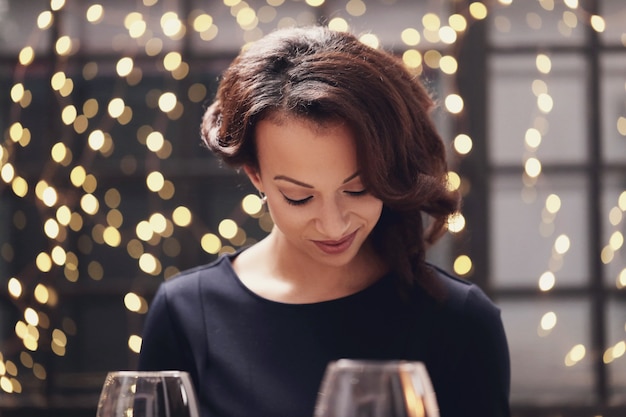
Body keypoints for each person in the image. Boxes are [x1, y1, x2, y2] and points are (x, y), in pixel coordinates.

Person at [138, 25, 511, 417]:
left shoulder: (459, 322)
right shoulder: (185, 313)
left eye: (358, 189)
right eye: (299, 197)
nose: (333, 225)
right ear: (256, 176)